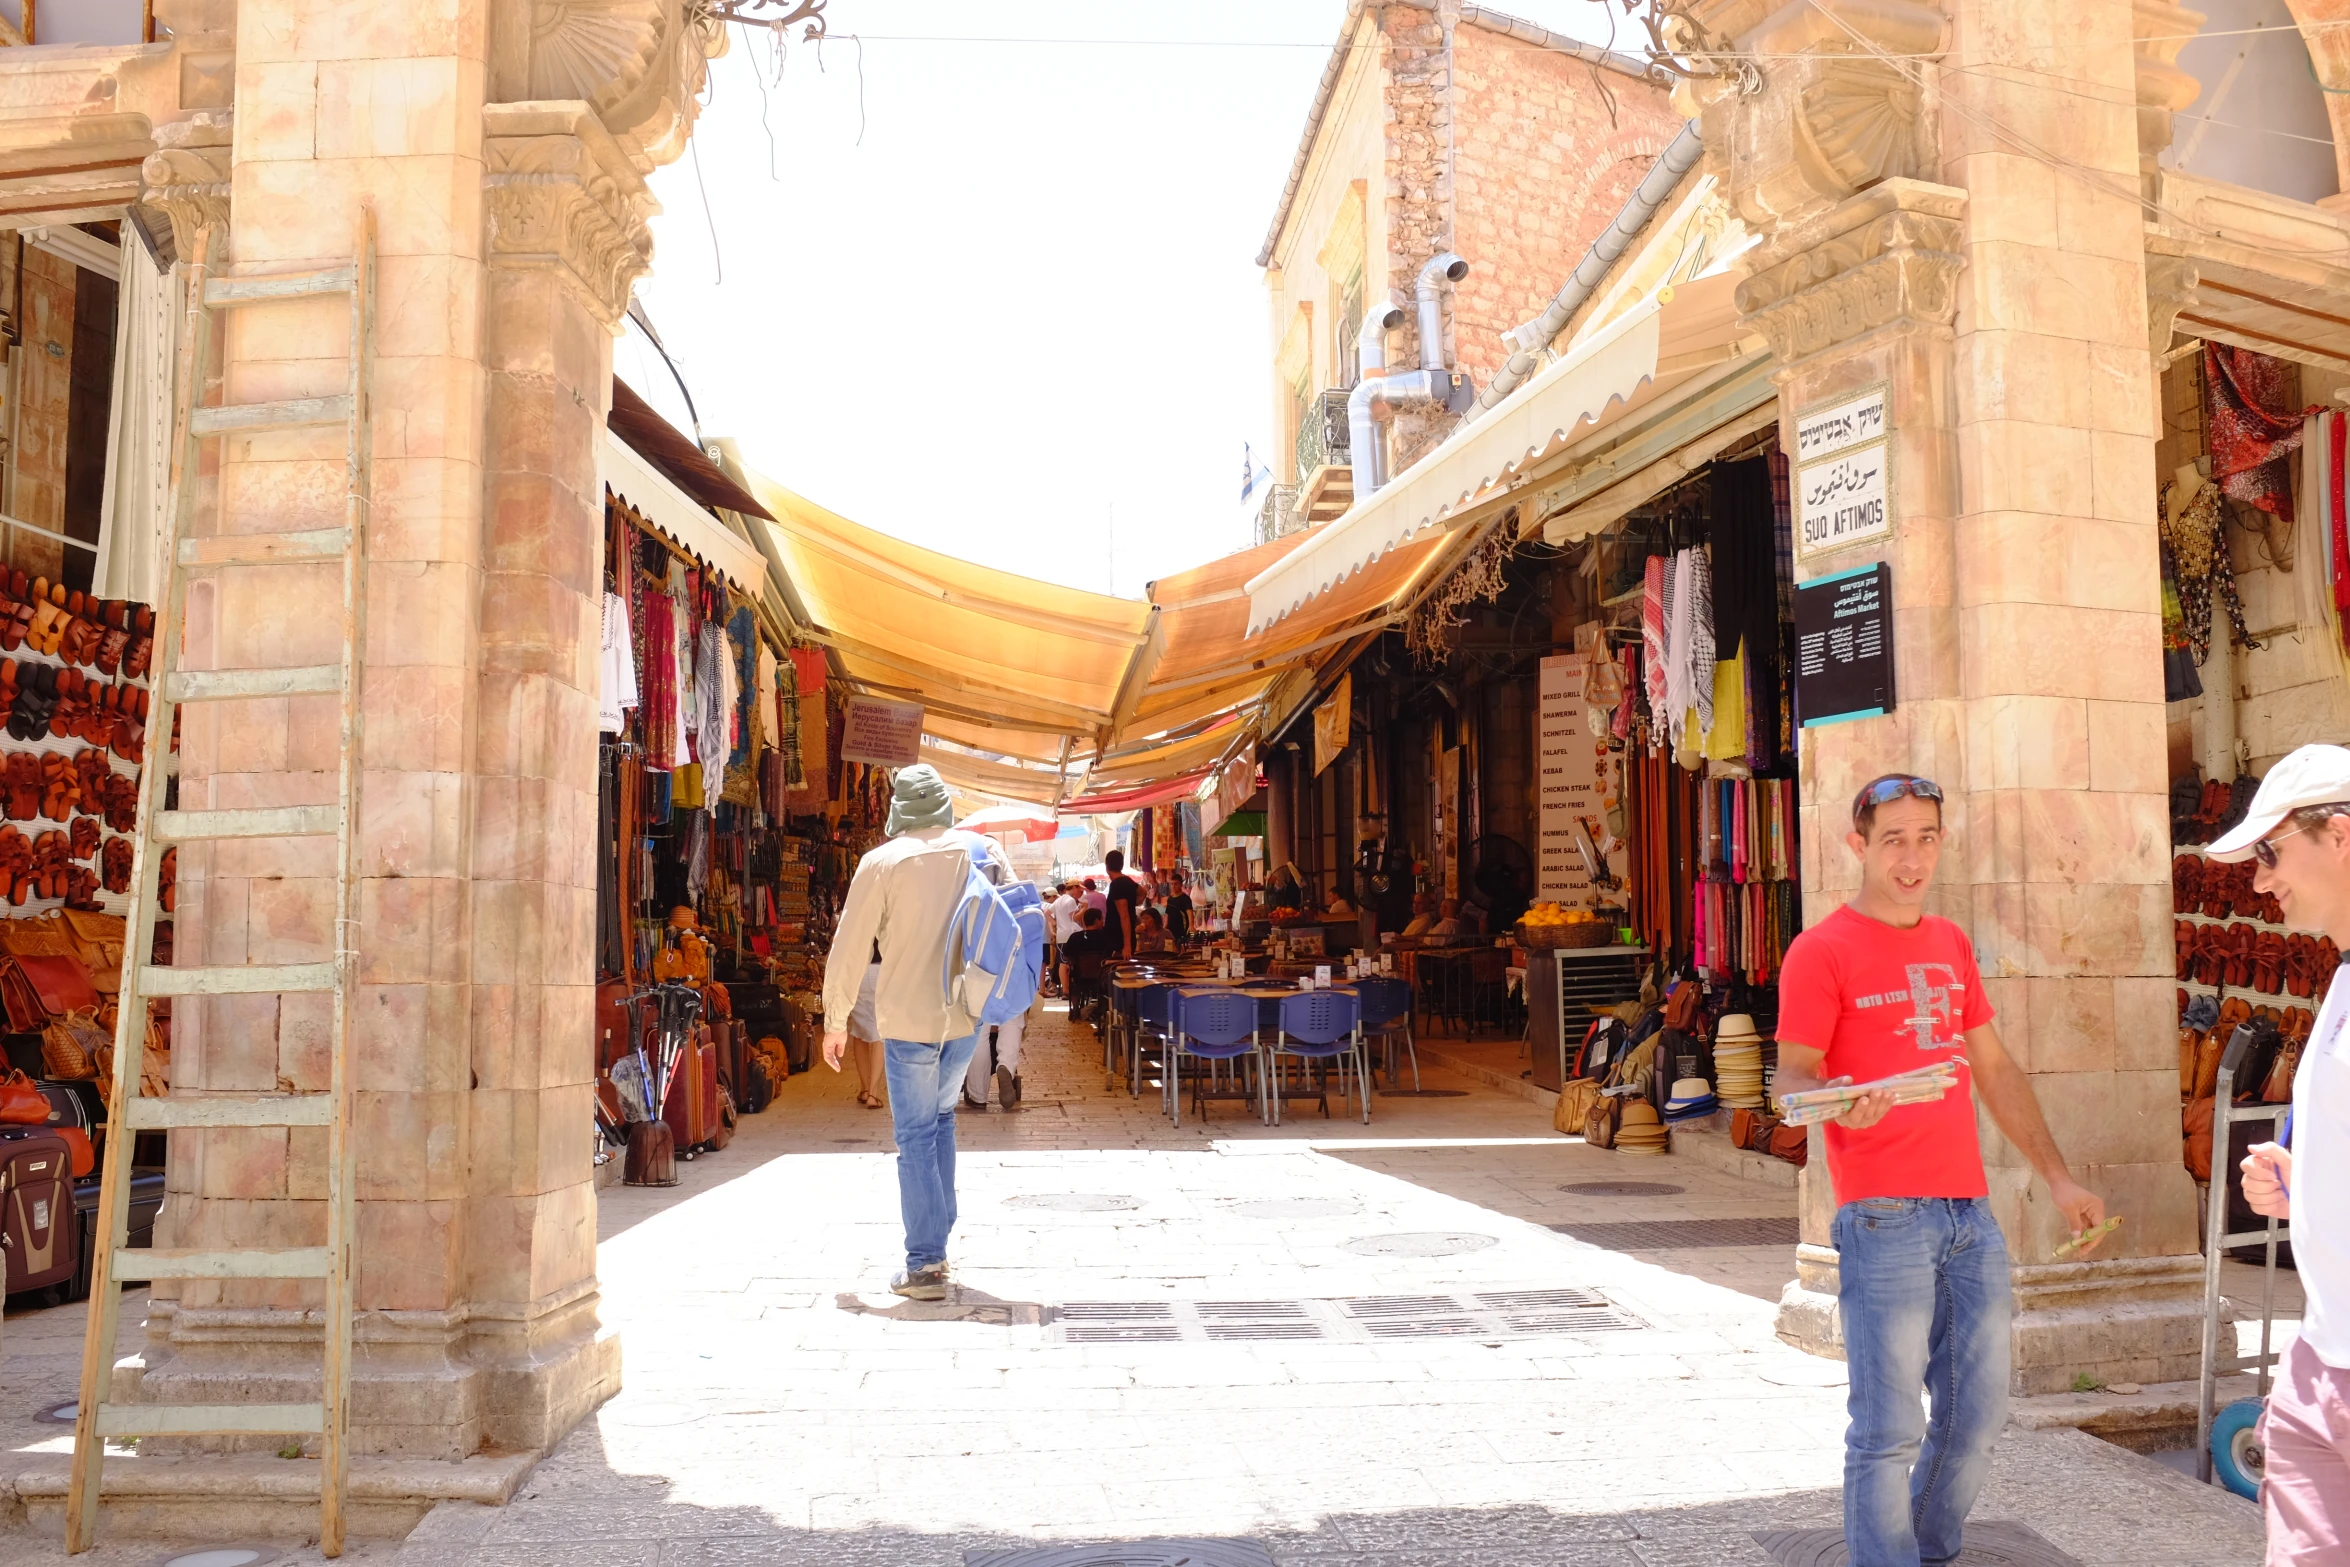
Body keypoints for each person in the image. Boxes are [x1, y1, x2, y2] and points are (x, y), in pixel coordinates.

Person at [1772, 773, 2105, 1567]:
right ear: (1858, 844)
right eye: (1893, 839)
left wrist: (2058, 1177)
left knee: (1978, 1415)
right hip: (1881, 1217)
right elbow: (1790, 1081)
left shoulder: (1950, 942)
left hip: (1968, 1214)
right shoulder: (1820, 949)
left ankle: (1928, 1550)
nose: (1912, 857)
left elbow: (1993, 1068)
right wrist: (1837, 1099)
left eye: (1926, 837)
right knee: (1887, 1427)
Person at [2220, 745, 2350, 1561]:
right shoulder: (2337, 980)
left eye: (2271, 852)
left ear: (2339, 836)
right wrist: (2309, 1189)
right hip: (2319, 1367)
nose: (2261, 881)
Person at [821, 765, 1014, 1301]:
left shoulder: (880, 863)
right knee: (941, 1122)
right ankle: (938, 1238)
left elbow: (850, 946)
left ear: (899, 807)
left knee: (914, 1136)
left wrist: (835, 1021)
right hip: (963, 1017)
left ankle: (926, 1263)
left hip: (907, 1020)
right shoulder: (977, 853)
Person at [844, 940, 886, 1109]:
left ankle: (864, 1088)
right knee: (880, 1032)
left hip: (857, 971)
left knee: (859, 1030)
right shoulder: (891, 913)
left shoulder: (853, 912)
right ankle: (873, 1094)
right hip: (881, 969)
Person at [1046, 881, 1083, 995]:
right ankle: (1071, 988)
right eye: (1079, 889)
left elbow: (1047, 913)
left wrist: (1056, 923)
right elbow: (1074, 918)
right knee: (1074, 961)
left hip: (1061, 935)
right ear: (1074, 888)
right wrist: (1084, 909)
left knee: (1062, 962)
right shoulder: (1070, 900)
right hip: (1071, 934)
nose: (1080, 892)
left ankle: (1065, 990)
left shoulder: (1059, 900)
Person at [1105, 848, 1143, 959]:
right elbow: (1143, 892)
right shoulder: (1127, 880)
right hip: (1124, 938)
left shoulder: (1117, 885)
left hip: (1119, 940)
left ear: (1107, 866)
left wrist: (1126, 946)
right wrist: (1132, 903)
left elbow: (1124, 916)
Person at [1164, 873, 1195, 945]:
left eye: (1176, 884)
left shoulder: (1185, 899)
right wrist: (1164, 927)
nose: (1173, 886)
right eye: (1171, 884)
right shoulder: (1170, 899)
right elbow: (1167, 915)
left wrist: (1191, 925)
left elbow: (1189, 912)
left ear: (1181, 885)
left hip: (1182, 931)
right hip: (1170, 931)